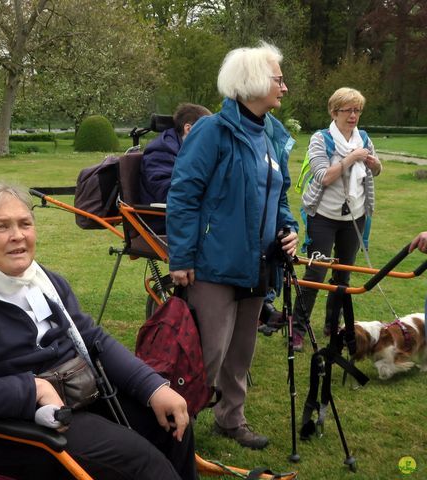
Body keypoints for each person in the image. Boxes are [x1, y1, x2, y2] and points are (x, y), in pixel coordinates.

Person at [0, 182, 197, 480]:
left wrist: (153, 387)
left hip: (76, 392)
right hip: (13, 428)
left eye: (25, 223)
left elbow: (91, 338)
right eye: (2, 227)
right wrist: (34, 389)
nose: (18, 236)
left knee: (171, 422)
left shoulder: (41, 280)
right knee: (141, 463)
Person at [166, 41, 298, 450]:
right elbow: (183, 194)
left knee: (241, 349)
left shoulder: (272, 135)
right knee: (206, 353)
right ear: (254, 81)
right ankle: (172, 426)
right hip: (214, 263)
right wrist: (182, 256)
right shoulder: (213, 131)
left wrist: (289, 227)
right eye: (278, 79)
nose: (285, 87)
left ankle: (230, 419)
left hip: (259, 263)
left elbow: (279, 195)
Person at [291, 87, 382, 351]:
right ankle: (297, 328)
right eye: (348, 110)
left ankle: (333, 324)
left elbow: (375, 171)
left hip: (355, 217)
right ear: (334, 112)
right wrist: (351, 158)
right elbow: (323, 177)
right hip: (324, 217)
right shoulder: (321, 139)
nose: (353, 116)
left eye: (357, 110)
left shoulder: (363, 137)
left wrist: (374, 164)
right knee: (316, 273)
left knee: (343, 276)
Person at [139, 103, 211, 208]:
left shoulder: (187, 149)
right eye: (209, 133)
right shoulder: (161, 151)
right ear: (189, 129)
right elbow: (170, 194)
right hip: (163, 218)